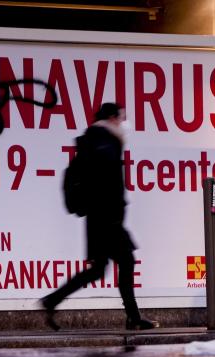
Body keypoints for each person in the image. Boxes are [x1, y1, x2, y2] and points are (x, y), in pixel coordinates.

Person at [41, 102, 159, 331]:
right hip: (107, 219)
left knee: (99, 269)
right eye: (122, 118)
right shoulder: (105, 140)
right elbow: (106, 183)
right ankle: (133, 318)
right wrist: (115, 215)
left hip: (99, 218)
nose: (124, 123)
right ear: (113, 118)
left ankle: (52, 300)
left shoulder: (95, 139)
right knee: (126, 262)